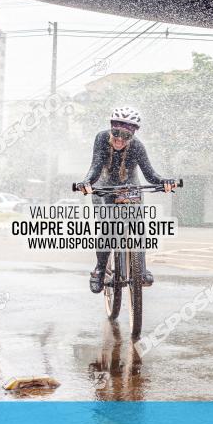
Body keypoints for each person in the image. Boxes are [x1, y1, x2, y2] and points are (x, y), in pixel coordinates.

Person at [76, 107, 173, 294]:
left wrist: (164, 182)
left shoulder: (137, 146)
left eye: (126, 136)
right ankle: (99, 270)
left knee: (138, 225)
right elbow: (95, 167)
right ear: (111, 128)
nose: (120, 139)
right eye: (116, 133)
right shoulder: (101, 139)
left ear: (133, 135)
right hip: (103, 187)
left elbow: (151, 175)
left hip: (130, 188)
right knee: (108, 227)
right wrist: (86, 182)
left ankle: (141, 269)